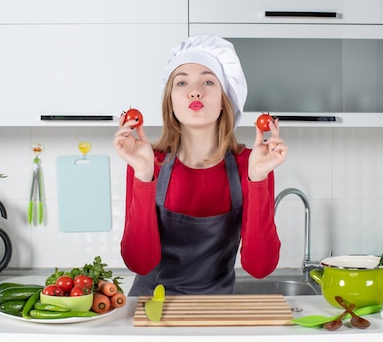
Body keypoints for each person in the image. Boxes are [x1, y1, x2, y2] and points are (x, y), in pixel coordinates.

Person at [113, 34, 287, 296]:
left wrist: (259, 178)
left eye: (208, 81)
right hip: (150, 311)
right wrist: (143, 174)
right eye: (181, 82)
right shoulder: (149, 161)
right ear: (170, 100)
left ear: (224, 100)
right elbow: (139, 262)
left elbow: (260, 268)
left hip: (214, 314)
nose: (195, 90)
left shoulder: (250, 164)